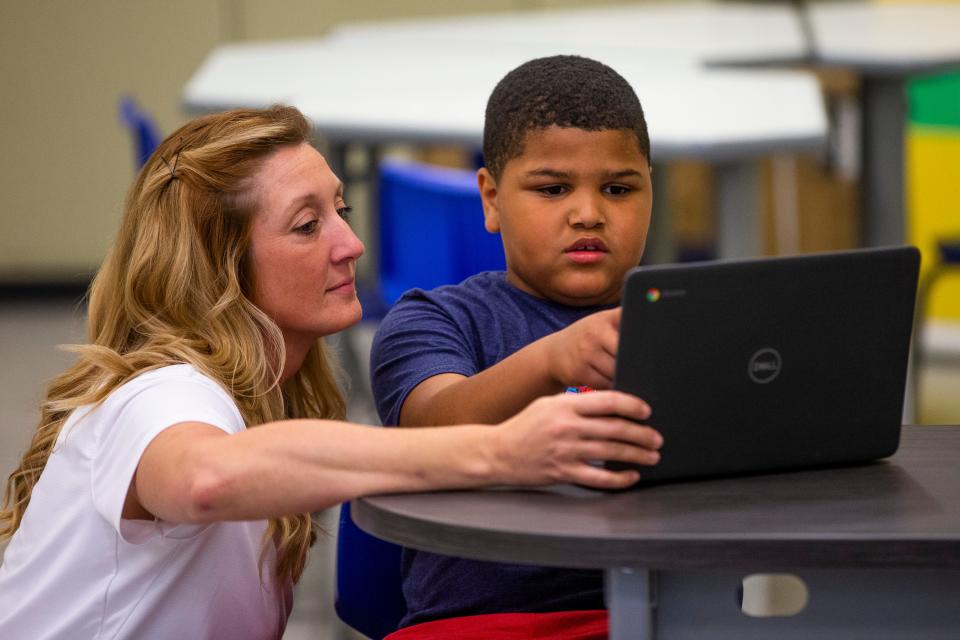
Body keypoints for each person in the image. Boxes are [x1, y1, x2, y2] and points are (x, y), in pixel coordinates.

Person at [0, 105, 662, 639]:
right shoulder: (162, 391)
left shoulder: (267, 401)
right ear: (219, 267)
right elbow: (204, 477)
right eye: (306, 225)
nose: (351, 244)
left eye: (339, 212)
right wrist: (503, 452)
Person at [370, 55, 658, 638]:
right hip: (481, 623)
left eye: (619, 188)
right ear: (492, 199)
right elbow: (430, 428)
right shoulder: (435, 319)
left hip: (654, 613)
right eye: (552, 189)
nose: (588, 214)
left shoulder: (680, 322)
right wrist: (553, 359)